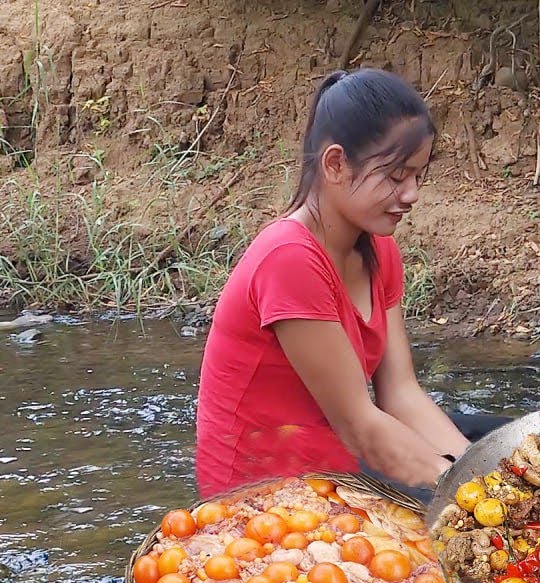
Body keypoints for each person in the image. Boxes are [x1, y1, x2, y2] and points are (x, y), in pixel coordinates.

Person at [195, 68, 506, 500]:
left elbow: (400, 394)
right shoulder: (289, 258)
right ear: (336, 164)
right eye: (397, 176)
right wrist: (465, 491)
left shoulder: (380, 250)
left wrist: (486, 478)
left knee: (504, 446)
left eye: (418, 175)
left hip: (331, 463)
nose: (413, 194)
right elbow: (360, 427)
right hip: (262, 496)